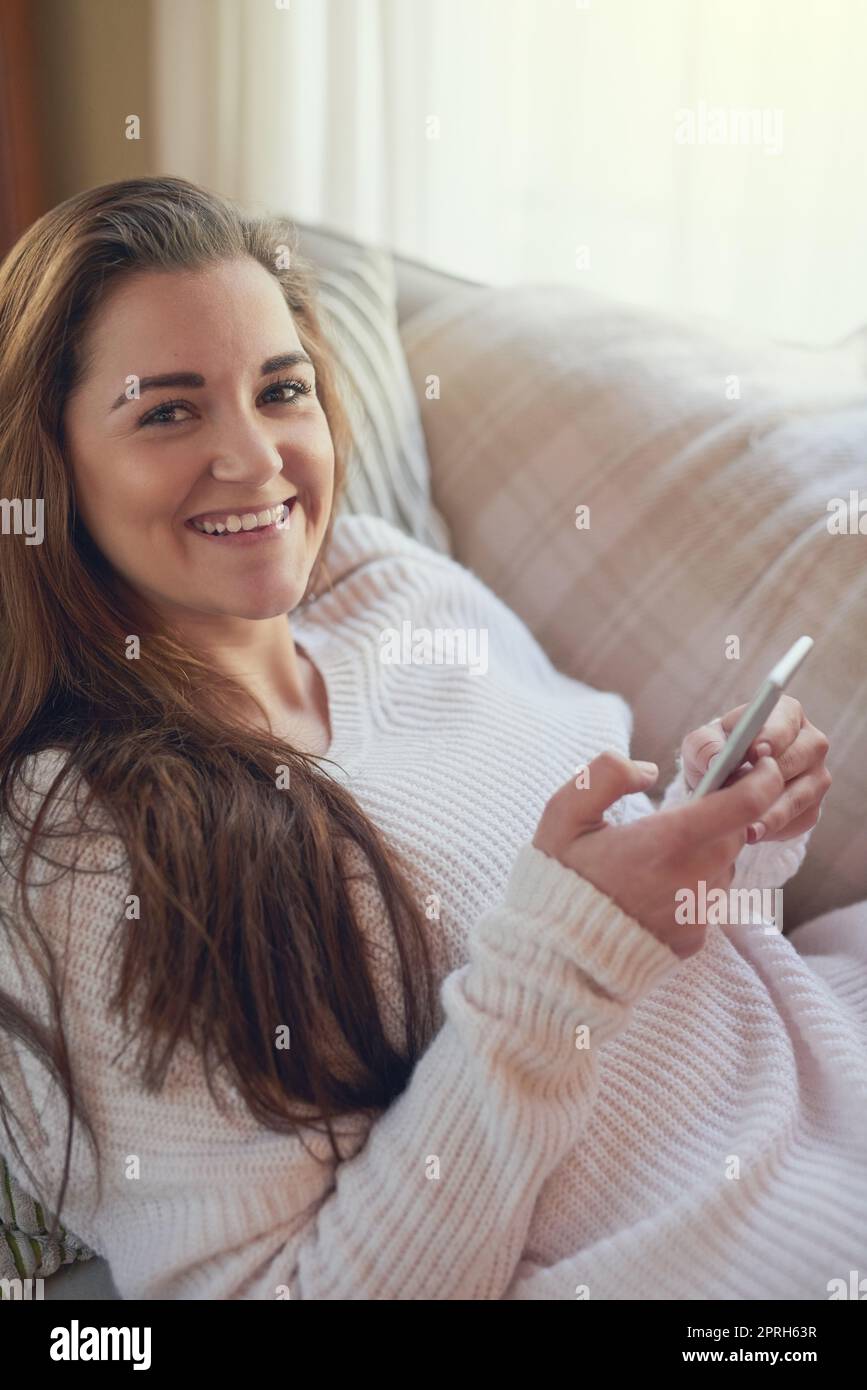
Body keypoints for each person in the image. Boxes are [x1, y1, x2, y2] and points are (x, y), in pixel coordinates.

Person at [0, 177, 859, 1303]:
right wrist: (565, 958)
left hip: (823, 1056)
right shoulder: (85, 843)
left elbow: (627, 915)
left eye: (281, 388)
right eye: (168, 409)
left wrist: (720, 827)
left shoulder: (384, 579)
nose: (256, 458)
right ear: (52, 465)